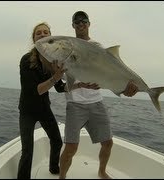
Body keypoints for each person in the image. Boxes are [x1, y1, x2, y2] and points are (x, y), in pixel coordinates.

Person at [59, 11, 139, 179]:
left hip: (96, 102)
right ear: (73, 25)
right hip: (75, 104)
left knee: (108, 143)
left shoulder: (96, 47)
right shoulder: (64, 48)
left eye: (84, 21)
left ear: (89, 24)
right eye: (77, 22)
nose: (81, 24)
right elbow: (63, 83)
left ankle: (102, 172)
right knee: (71, 147)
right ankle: (62, 177)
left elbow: (107, 75)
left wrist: (125, 89)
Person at [17, 22, 98, 179]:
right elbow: (36, 90)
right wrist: (55, 77)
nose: (42, 35)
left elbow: (60, 88)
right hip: (27, 111)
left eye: (46, 33)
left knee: (57, 141)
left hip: (44, 109)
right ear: (34, 39)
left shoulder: (55, 60)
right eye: (38, 33)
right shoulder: (26, 60)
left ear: (51, 36)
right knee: (27, 150)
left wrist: (80, 84)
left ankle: (54, 169)